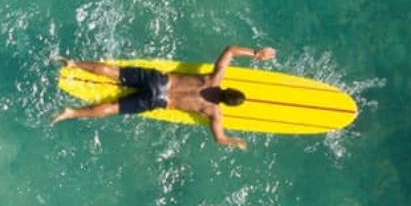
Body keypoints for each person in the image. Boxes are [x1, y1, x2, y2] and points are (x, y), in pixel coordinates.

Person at [52, 45, 279, 150]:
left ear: (229, 89)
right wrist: (235, 141)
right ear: (226, 104)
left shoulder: (214, 79)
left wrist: (256, 54)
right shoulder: (213, 113)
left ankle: (73, 63)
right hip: (158, 101)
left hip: (160, 82)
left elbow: (229, 50)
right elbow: (219, 139)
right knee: (111, 108)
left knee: (115, 73)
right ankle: (72, 112)